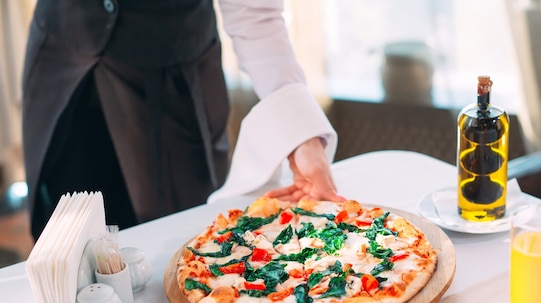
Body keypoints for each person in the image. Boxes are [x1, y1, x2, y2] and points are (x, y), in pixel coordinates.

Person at [21, 0, 343, 240]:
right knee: (68, 250)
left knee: (181, 251)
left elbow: (255, 16)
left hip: (174, 82)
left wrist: (301, 136)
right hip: (63, 64)